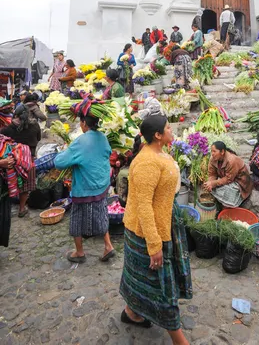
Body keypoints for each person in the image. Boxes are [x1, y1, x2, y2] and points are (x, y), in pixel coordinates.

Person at [120, 115, 192, 344]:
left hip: (163, 223)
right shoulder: (147, 163)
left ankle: (132, 313)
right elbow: (143, 205)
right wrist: (154, 245)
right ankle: (179, 340)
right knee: (163, 286)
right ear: (158, 135)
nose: (172, 130)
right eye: (168, 127)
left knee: (141, 277)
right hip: (148, 231)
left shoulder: (159, 153)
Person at [54, 102, 115, 263]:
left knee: (76, 220)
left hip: (85, 188)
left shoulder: (81, 142)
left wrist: (67, 152)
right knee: (101, 215)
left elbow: (59, 163)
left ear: (83, 123)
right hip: (102, 185)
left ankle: (79, 252)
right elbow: (106, 153)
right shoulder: (102, 137)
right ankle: (108, 245)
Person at [0, 105, 39, 217]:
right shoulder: (35, 125)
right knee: (25, 186)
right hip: (28, 160)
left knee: (9, 184)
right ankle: (22, 208)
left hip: (10, 161)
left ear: (15, 115)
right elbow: (38, 138)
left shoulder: (7, 128)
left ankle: (6, 208)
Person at [204, 141, 252, 208]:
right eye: (211, 151)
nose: (212, 154)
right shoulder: (213, 159)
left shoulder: (232, 160)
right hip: (227, 178)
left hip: (239, 181)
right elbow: (212, 174)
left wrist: (213, 183)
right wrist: (210, 182)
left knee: (227, 192)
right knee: (210, 186)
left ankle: (227, 206)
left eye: (214, 151)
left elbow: (228, 179)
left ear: (222, 152)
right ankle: (221, 204)